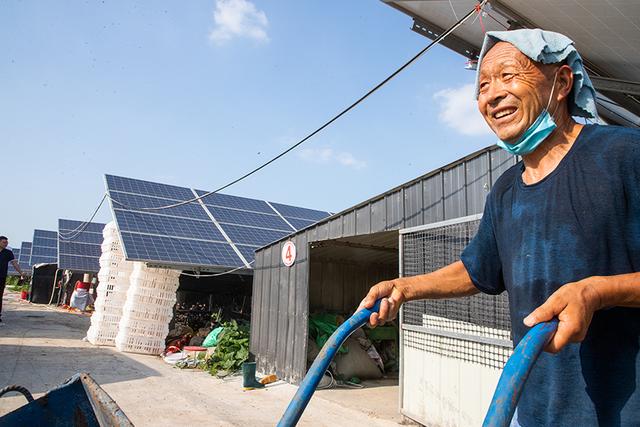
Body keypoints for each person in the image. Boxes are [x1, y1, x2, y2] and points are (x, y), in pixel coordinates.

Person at [359, 29, 640, 426]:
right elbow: (477, 270)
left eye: (509, 76)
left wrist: (597, 291)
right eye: (483, 85)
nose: (491, 96)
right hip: (538, 410)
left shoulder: (625, 154)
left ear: (561, 83)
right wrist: (406, 287)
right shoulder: (507, 190)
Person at [0, 236, 26, 324]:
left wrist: (21, 272)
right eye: (4, 242)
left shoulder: (8, 252)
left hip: (1, 277)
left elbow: (14, 264)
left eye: (6, 242)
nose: (6, 244)